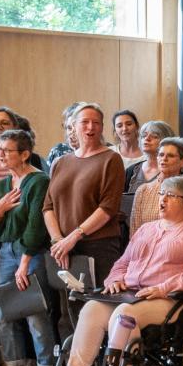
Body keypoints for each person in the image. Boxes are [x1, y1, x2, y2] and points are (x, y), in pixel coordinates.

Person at [41, 176, 183, 366]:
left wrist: (164, 287)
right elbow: (123, 262)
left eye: (171, 195)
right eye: (161, 194)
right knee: (91, 309)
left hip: (168, 299)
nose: (162, 200)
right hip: (130, 293)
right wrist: (114, 280)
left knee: (123, 315)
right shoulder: (147, 229)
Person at [0, 128, 56, 366]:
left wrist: (25, 262)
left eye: (6, 151)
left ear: (25, 154)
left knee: (34, 311)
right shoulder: (4, 185)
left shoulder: (39, 181)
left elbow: (36, 226)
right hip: (7, 251)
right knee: (4, 312)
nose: (0, 155)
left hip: (32, 252)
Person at [44, 102, 128, 287]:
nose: (91, 127)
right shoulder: (61, 162)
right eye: (85, 122)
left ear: (102, 127)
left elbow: (108, 208)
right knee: (68, 303)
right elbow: (48, 207)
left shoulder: (111, 159)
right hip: (64, 248)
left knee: (97, 302)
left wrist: (73, 237)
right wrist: (58, 241)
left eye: (96, 123)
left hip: (98, 246)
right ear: (73, 126)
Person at [132, 139, 183, 233]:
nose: (164, 159)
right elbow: (135, 231)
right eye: (161, 155)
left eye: (170, 155)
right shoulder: (143, 190)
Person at [124, 120, 172, 218]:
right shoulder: (131, 171)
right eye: (144, 135)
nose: (147, 139)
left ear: (166, 141)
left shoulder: (175, 170)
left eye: (154, 136)